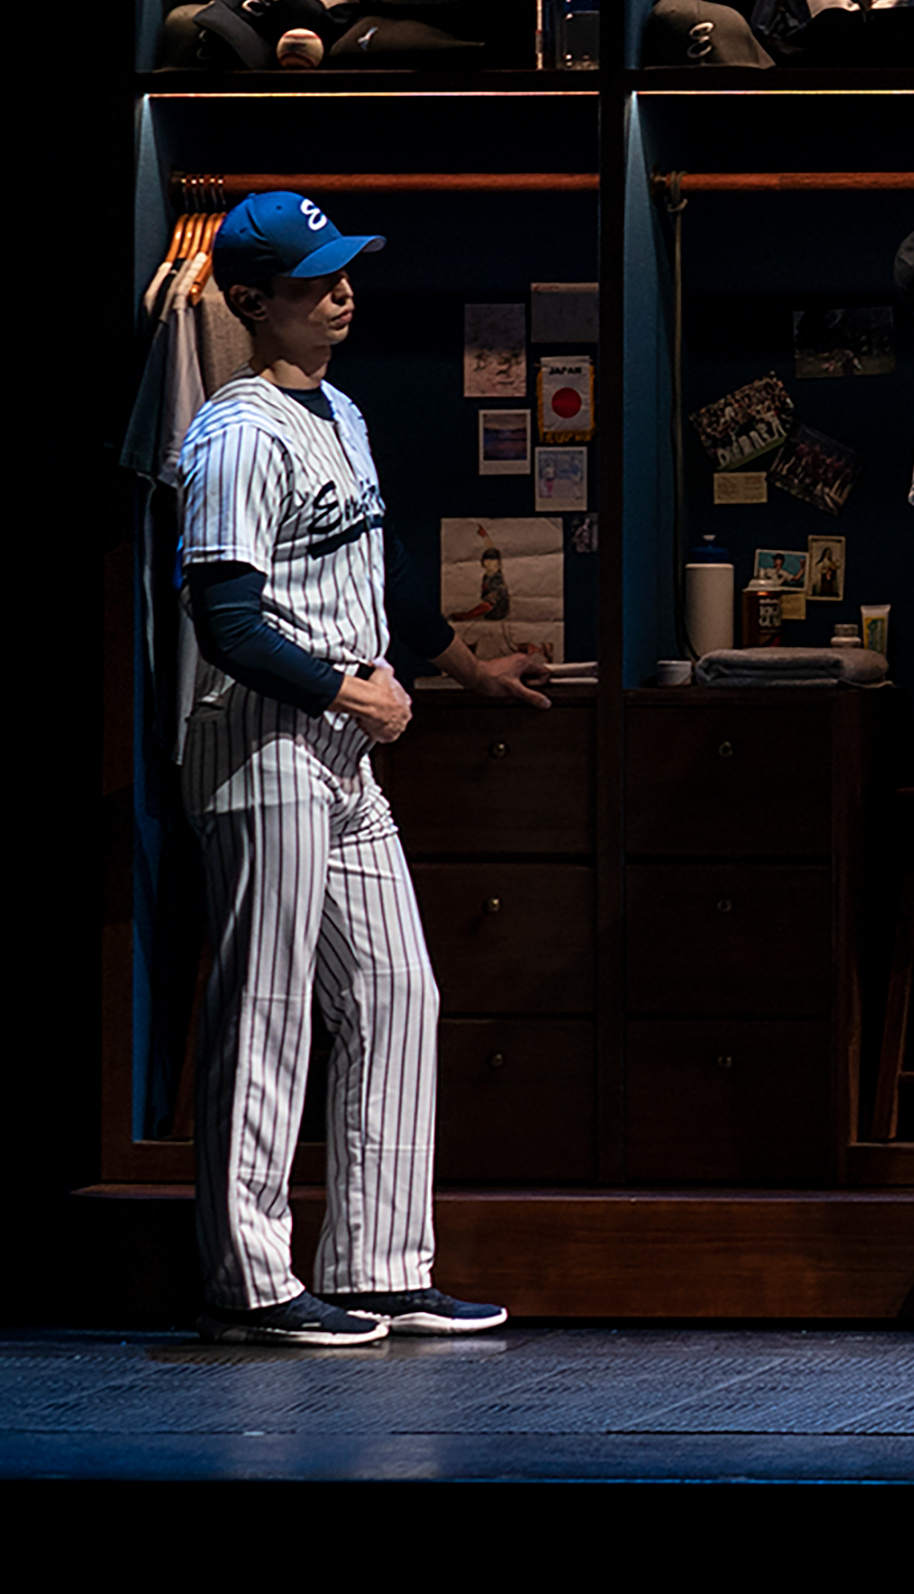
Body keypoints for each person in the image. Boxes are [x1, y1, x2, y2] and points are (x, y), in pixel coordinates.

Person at [172, 189, 546, 1345]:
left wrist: (463, 667)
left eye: (344, 273)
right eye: (311, 280)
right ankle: (250, 1281)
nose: (340, 292)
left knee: (396, 992)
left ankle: (380, 1262)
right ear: (249, 301)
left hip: (339, 746)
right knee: (271, 1008)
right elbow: (224, 618)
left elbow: (364, 585)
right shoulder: (235, 430)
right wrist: (351, 688)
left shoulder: (340, 409)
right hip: (262, 738)